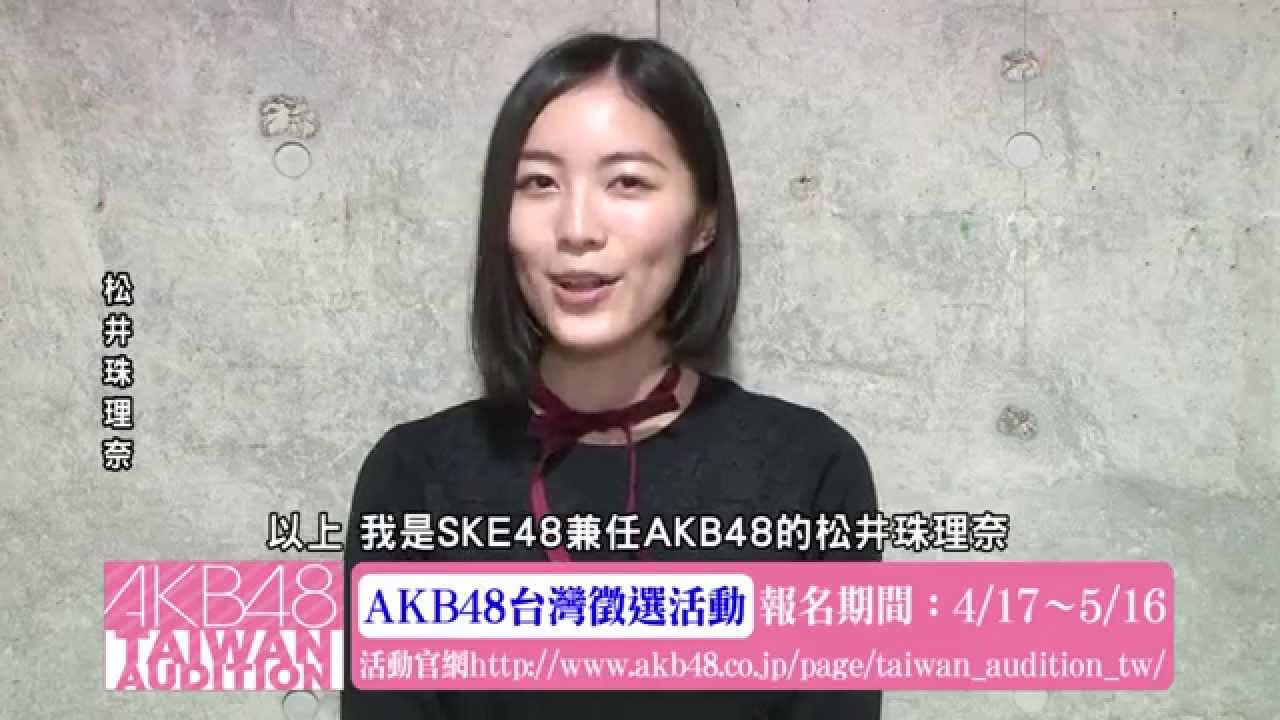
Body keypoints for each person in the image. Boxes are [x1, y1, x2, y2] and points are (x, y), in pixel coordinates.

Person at [342, 32, 882, 719]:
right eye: (538, 183)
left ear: (704, 220)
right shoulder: (415, 477)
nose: (577, 228)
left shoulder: (811, 472)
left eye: (627, 181)